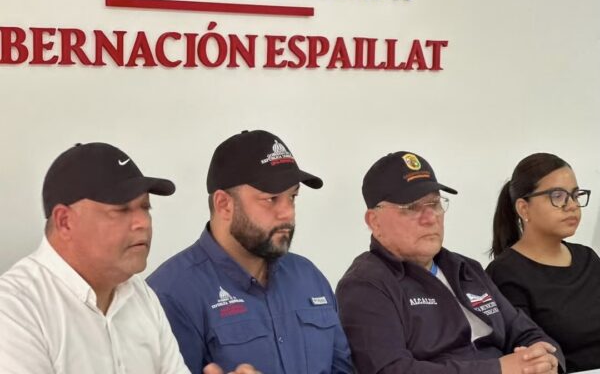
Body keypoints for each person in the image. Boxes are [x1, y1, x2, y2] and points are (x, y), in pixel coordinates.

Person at [0, 142, 254, 374]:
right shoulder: (15, 310)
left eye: (145, 207)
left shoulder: (141, 296)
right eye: (121, 210)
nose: (143, 222)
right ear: (65, 222)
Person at [336, 151, 565, 374]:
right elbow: (390, 369)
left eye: (434, 203)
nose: (430, 218)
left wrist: (547, 361)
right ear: (374, 221)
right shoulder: (366, 285)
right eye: (412, 208)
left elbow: (526, 332)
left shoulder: (466, 269)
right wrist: (497, 369)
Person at [147, 130, 353, 374]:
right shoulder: (171, 294)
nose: (287, 213)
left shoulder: (309, 277)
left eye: (292, 197)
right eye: (271, 199)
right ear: (224, 204)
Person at [486, 152, 600, 372]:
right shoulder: (505, 273)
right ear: (523, 208)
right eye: (557, 196)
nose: (572, 205)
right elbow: (528, 352)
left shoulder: (588, 258)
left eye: (575, 195)